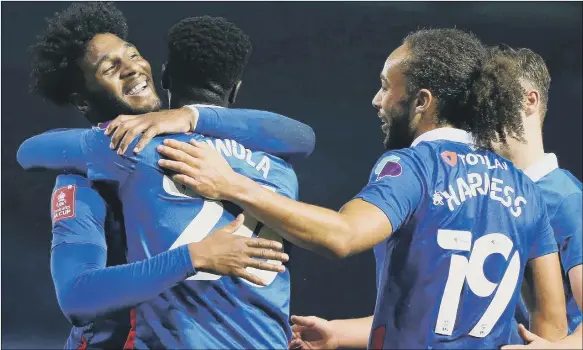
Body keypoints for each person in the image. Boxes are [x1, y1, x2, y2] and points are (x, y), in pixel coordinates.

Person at [155, 28, 568, 349]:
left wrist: (232, 183)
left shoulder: (414, 167)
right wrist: (342, 333)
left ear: (422, 100)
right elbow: (551, 327)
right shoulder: (523, 187)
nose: (377, 99)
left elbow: (342, 235)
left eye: (387, 85)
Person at [19, 10, 313, 350]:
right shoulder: (276, 162)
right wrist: (194, 257)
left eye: (131, 53)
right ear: (82, 101)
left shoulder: (112, 155)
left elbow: (29, 152)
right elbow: (304, 138)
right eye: (110, 67)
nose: (131, 67)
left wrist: (188, 116)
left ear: (164, 75)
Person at [484, 45, 581, 350]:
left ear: (530, 101)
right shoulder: (489, 197)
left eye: (493, 99)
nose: (482, 114)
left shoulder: (565, 199)